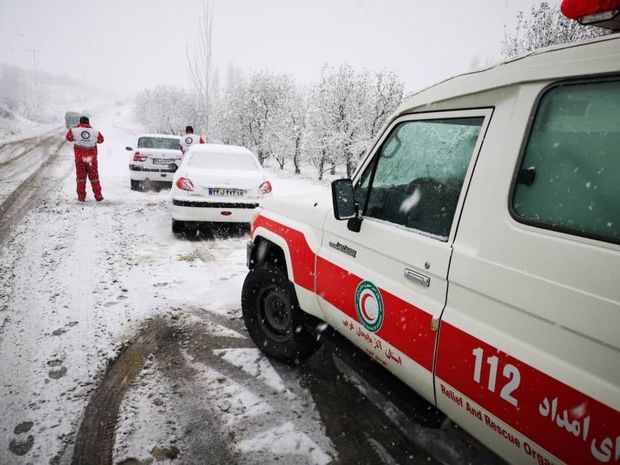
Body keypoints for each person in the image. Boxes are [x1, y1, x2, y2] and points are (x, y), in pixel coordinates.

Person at [65, 116, 104, 202]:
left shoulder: (75, 130)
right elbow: (101, 140)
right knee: (94, 178)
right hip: (91, 160)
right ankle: (98, 196)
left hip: (80, 159)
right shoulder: (95, 132)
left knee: (80, 178)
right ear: (88, 122)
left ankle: (81, 197)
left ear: (80, 122)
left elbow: (68, 137)